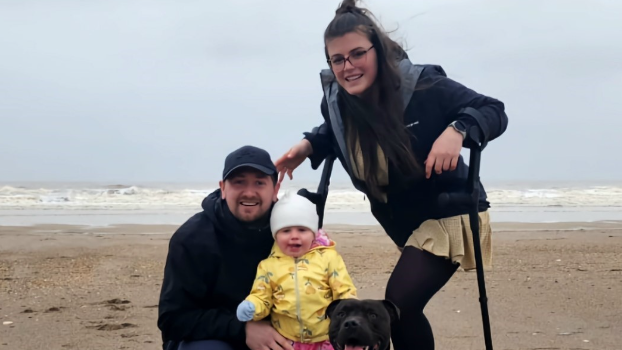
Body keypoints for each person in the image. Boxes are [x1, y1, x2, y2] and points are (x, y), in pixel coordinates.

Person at [274, 1, 509, 349]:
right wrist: (310, 143)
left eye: (357, 54)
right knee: (405, 306)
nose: (348, 66)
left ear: (378, 51)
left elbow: (493, 110)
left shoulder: (424, 85)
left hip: (448, 211)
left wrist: (458, 129)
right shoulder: (337, 100)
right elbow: (338, 129)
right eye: (337, 60)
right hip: (401, 218)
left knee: (400, 304)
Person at [157, 145, 296, 350]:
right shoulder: (192, 238)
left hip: (276, 334)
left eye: (259, 183)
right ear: (223, 188)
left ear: (275, 190)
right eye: (239, 182)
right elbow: (173, 320)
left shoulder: (292, 234)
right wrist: (244, 328)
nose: (249, 192)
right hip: (212, 339)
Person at [235, 191, 358, 350]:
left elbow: (343, 289)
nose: (294, 236)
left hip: (327, 338)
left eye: (302, 230)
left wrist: (352, 309)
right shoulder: (268, 266)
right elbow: (262, 296)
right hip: (287, 340)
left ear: (313, 233)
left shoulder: (328, 258)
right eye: (286, 231)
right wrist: (252, 307)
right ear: (276, 235)